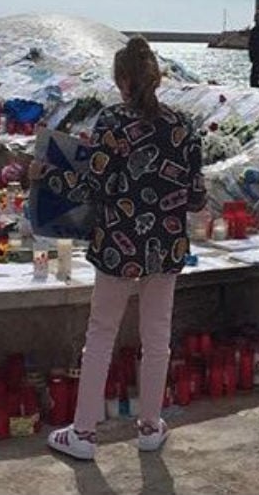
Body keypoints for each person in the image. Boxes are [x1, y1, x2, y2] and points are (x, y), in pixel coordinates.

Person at [45, 36, 206, 461]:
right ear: (155, 76)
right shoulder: (184, 125)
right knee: (158, 337)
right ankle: (151, 426)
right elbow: (196, 197)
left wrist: (46, 176)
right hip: (166, 245)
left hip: (119, 243)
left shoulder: (111, 122)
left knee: (100, 335)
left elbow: (92, 185)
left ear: (121, 80)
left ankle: (83, 434)